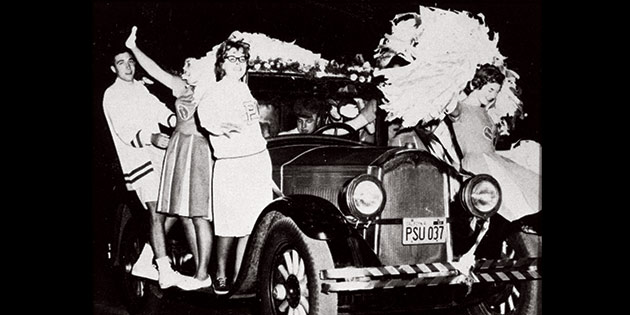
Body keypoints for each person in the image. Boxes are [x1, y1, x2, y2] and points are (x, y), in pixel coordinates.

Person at [125, 26, 215, 291]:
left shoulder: (209, 91)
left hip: (197, 149)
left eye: (190, 65)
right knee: (184, 214)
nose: (185, 69)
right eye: (185, 65)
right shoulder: (181, 86)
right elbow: (154, 70)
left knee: (198, 214)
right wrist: (133, 47)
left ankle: (203, 273)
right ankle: (199, 274)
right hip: (177, 149)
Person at [102, 45, 190, 289]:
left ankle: (145, 260)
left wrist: (178, 120)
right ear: (113, 68)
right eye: (121, 63)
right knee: (155, 209)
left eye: (131, 61)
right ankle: (164, 270)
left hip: (158, 156)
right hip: (137, 160)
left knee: (171, 209)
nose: (129, 67)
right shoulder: (112, 94)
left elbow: (159, 111)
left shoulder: (140, 88)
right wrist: (151, 138)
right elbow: (124, 130)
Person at [195, 36, 273, 294]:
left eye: (242, 59)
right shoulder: (215, 90)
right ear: (222, 64)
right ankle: (220, 275)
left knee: (251, 226)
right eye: (232, 58)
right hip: (232, 166)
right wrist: (223, 127)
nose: (238, 64)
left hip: (255, 161)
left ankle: (242, 278)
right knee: (229, 226)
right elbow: (206, 119)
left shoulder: (244, 89)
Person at [447, 64, 541, 222]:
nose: (492, 96)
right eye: (490, 90)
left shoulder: (488, 115)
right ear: (476, 84)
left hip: (493, 160)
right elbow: (445, 102)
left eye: (496, 92)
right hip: (476, 167)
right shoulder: (461, 109)